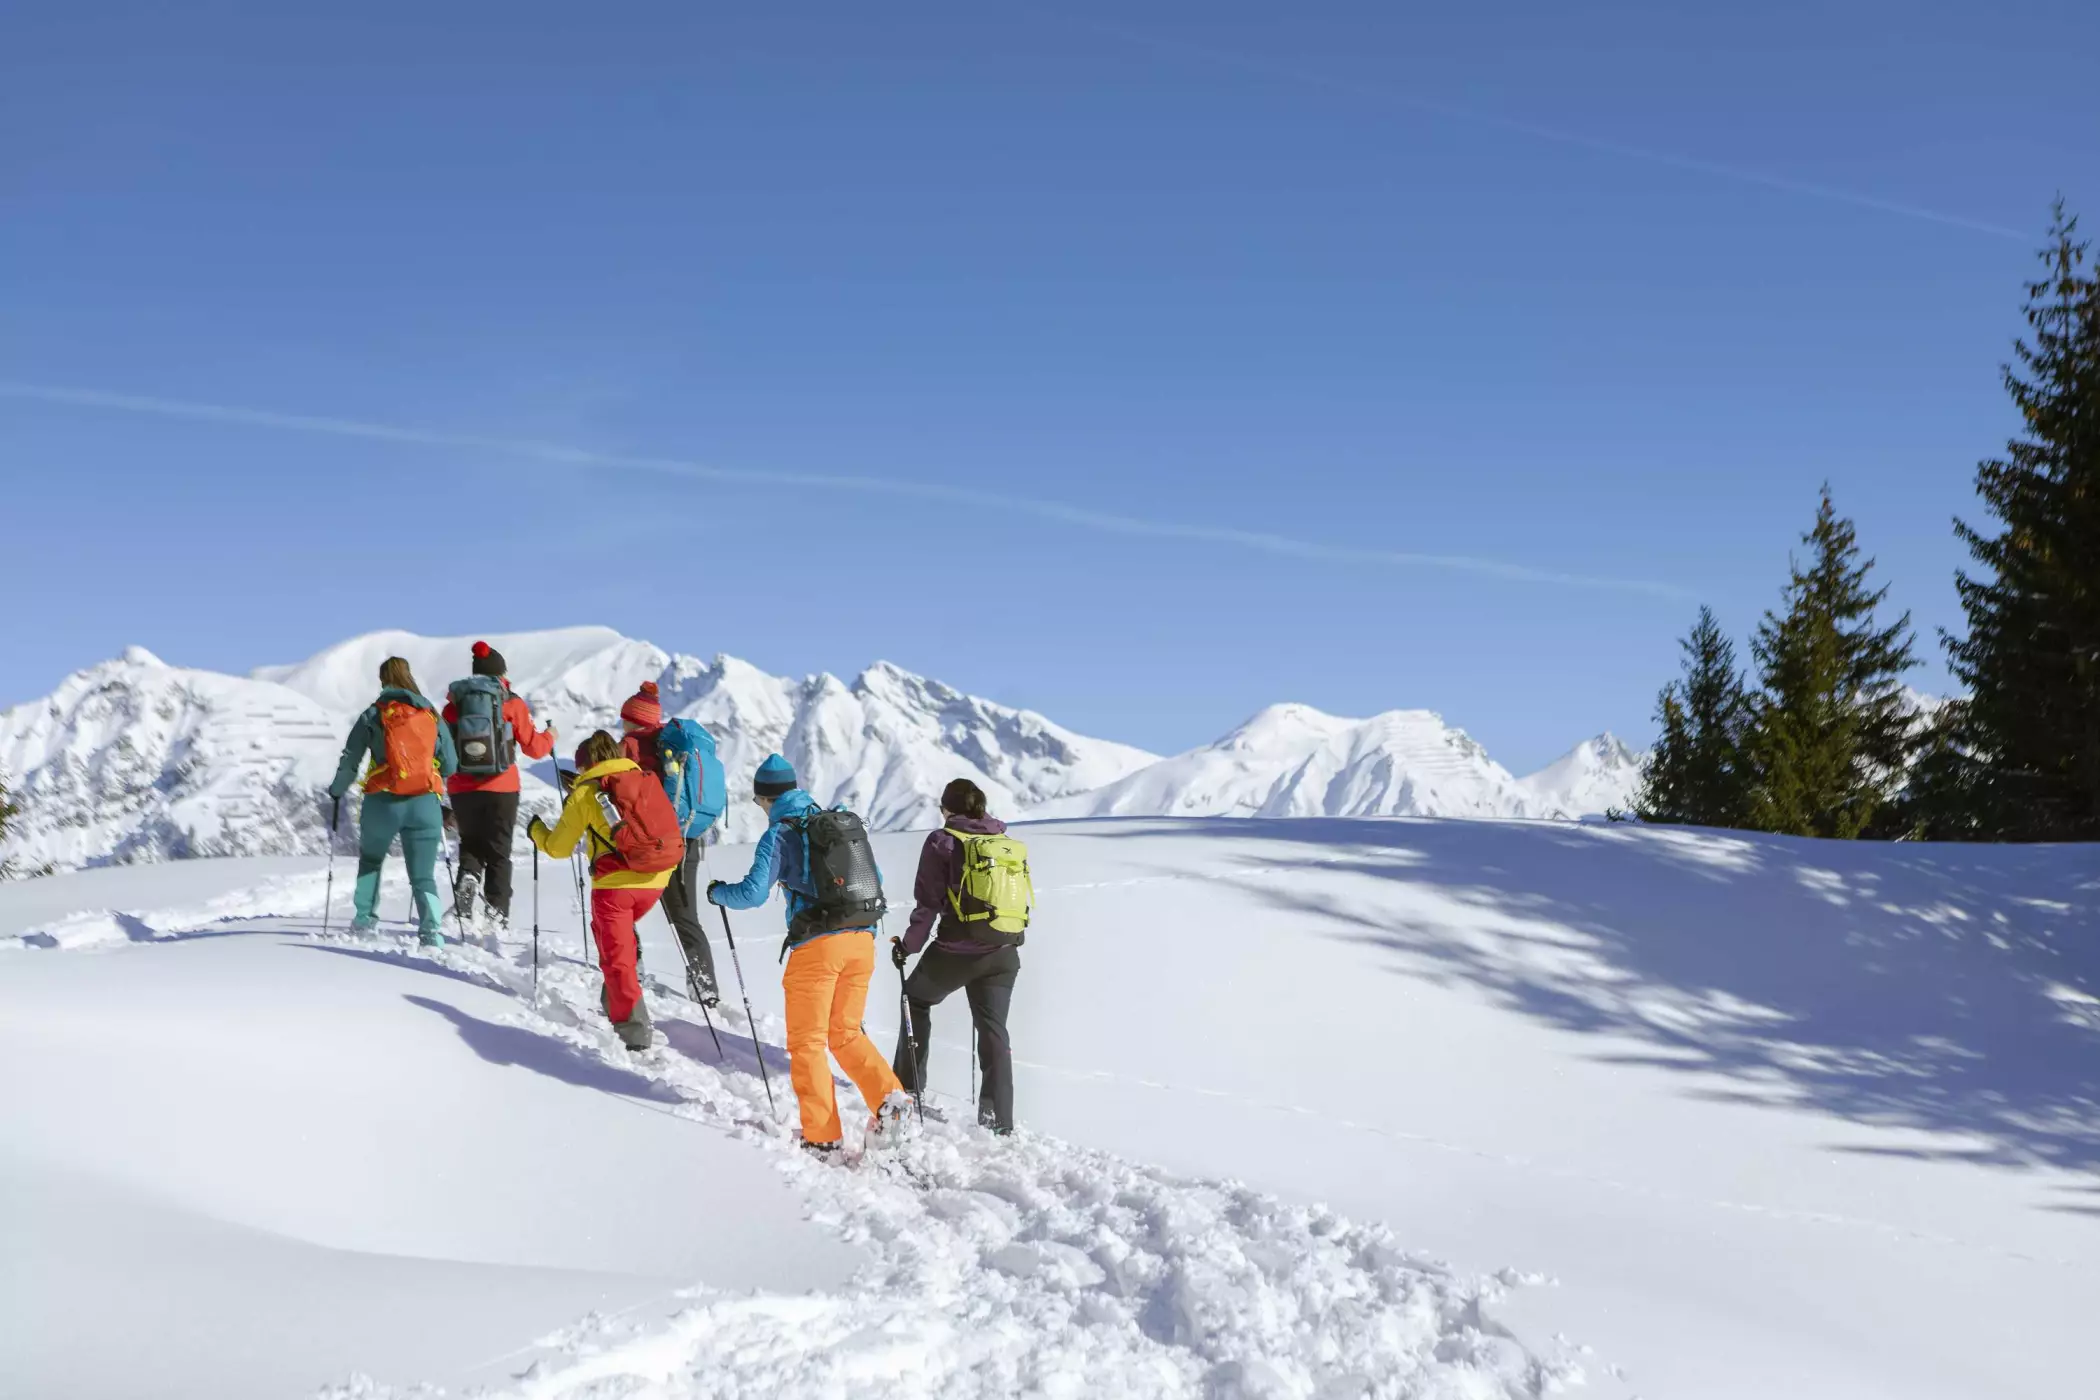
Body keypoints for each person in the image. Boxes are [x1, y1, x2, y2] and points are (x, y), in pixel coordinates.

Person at [707, 754, 912, 1157]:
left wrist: (718, 893)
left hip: (818, 947)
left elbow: (752, 893)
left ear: (765, 798)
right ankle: (890, 1100)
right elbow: (875, 879)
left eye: (758, 801)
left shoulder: (781, 832)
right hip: (862, 939)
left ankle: (822, 1138)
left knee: (808, 1044)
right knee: (846, 1033)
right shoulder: (835, 825)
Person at [527, 730, 684, 1051]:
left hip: (615, 888)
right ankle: (615, 1000)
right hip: (658, 878)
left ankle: (634, 1034)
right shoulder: (645, 780)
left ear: (585, 766)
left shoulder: (586, 792)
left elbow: (558, 848)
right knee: (611, 941)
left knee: (617, 960)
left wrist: (537, 831)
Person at [890, 778, 1025, 1134]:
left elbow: (927, 904)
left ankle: (907, 1089)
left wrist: (908, 946)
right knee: (993, 1030)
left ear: (947, 810)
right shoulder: (1002, 840)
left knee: (915, 999)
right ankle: (998, 1120)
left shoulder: (942, 841)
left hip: (956, 952)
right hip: (1004, 951)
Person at [328, 657, 460, 945]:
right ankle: (431, 933)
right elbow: (450, 764)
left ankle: (364, 921)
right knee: (423, 875)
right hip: (424, 803)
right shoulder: (430, 714)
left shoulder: (373, 714)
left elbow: (350, 760)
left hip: (382, 803)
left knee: (371, 861)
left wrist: (337, 790)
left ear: (382, 680)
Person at [617, 680, 721, 1006]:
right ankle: (705, 986)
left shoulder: (631, 746)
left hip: (650, 840)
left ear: (632, 719)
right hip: (689, 836)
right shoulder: (675, 744)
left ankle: (631, 967)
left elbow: (621, 793)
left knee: (620, 905)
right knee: (685, 916)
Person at [442, 641, 557, 931]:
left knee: (470, 842)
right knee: (499, 851)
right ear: (501, 674)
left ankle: (469, 877)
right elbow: (534, 748)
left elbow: (443, 748)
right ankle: (496, 912)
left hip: (462, 787)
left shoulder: (454, 705)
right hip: (502, 787)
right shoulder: (511, 703)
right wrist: (551, 735)